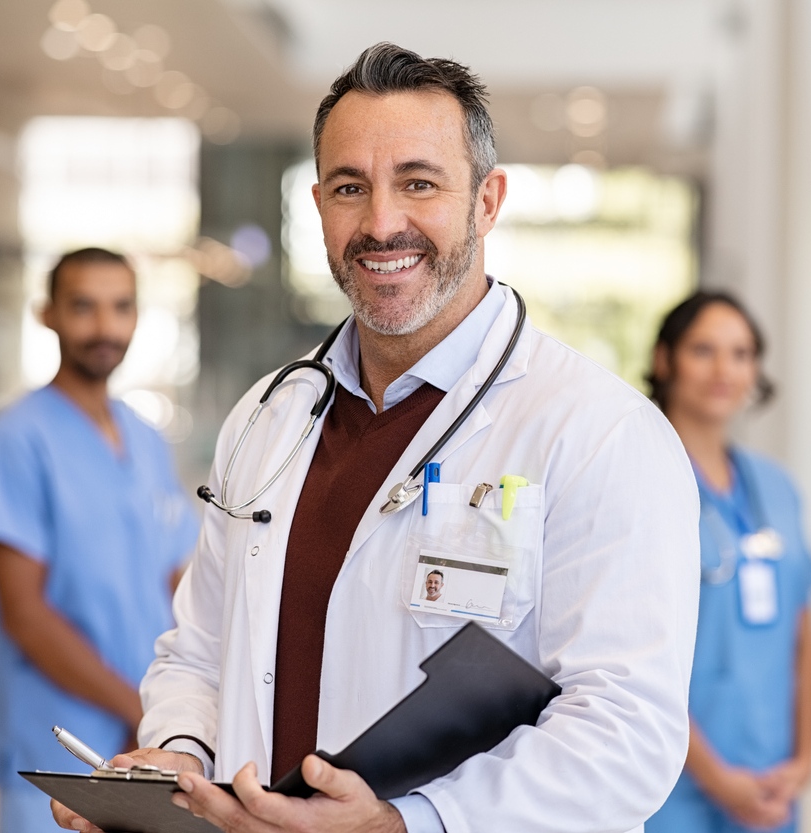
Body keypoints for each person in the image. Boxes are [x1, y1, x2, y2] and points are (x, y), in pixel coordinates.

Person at [55, 43, 699, 833]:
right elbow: (198, 647)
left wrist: (407, 823)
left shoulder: (598, 433)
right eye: (349, 188)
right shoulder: (270, 415)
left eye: (418, 183)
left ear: (487, 201)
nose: (381, 223)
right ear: (318, 203)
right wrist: (178, 758)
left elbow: (625, 731)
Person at [0, 247, 199, 833]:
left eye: (120, 307)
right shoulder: (14, 441)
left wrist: (173, 712)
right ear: (48, 315)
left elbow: (181, 586)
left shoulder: (146, 441)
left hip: (148, 742)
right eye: (83, 307)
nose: (104, 327)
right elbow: (25, 615)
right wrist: (135, 708)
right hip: (60, 747)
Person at [644, 290, 811, 833]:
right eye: (704, 350)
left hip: (771, 788)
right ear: (664, 360)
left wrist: (804, 764)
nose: (725, 369)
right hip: (673, 787)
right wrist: (719, 781)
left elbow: (803, 637)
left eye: (742, 353)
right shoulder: (641, 482)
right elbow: (631, 656)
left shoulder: (777, 486)